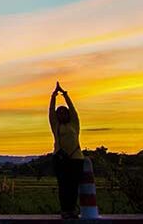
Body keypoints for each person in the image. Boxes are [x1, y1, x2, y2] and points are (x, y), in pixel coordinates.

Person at [49, 82, 83, 219]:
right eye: (59, 113)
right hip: (61, 159)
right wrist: (53, 96)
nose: (62, 115)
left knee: (73, 186)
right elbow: (50, 112)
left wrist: (65, 95)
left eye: (64, 112)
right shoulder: (55, 125)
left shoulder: (74, 124)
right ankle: (65, 210)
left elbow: (73, 109)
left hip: (76, 159)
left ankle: (72, 209)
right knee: (63, 186)